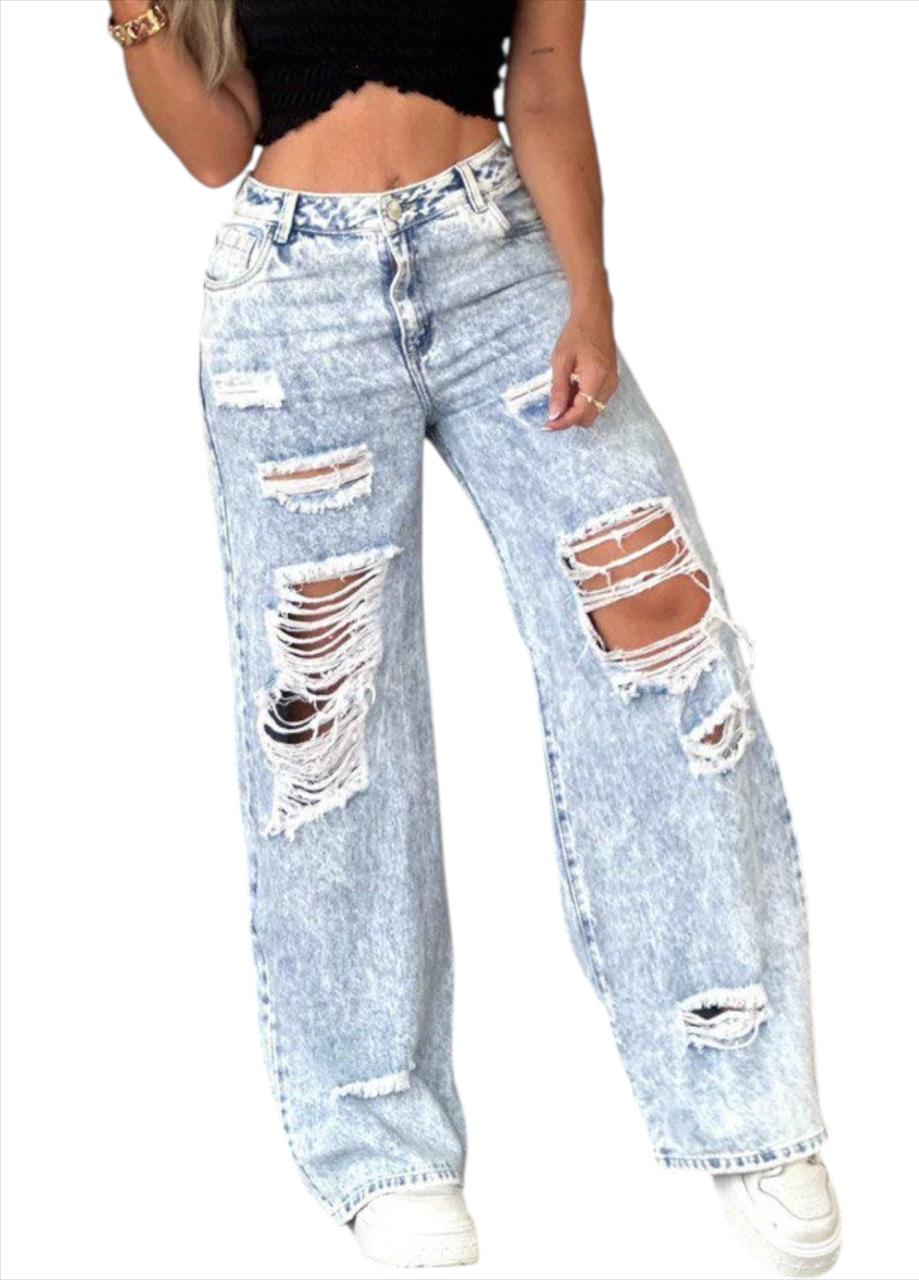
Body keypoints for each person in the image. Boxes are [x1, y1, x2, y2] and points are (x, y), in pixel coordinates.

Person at [109, 0, 841, 1272]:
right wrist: (134, 19)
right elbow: (216, 146)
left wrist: (589, 294)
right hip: (296, 296)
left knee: (661, 633)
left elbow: (544, 79)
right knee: (331, 717)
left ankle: (740, 1091)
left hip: (500, 259)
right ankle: (382, 1134)